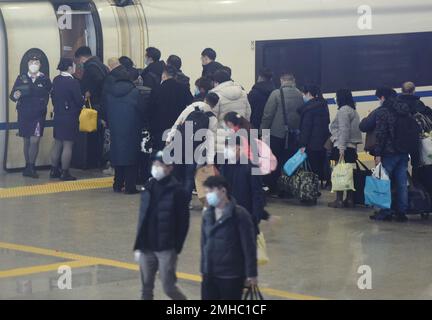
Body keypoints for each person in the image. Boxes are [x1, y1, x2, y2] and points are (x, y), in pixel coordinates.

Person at [133, 151, 190, 300]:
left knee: (168, 287)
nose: (156, 167)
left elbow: (183, 223)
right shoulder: (148, 186)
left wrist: (176, 248)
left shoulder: (178, 192)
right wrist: (139, 244)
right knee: (146, 289)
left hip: (166, 248)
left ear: (170, 168)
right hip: (146, 247)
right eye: (154, 164)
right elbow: (142, 217)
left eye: (160, 165)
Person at [201, 175, 258, 300]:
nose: (208, 195)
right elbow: (204, 243)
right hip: (209, 274)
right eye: (206, 192)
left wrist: (251, 274)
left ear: (223, 191)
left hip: (231, 276)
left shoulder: (240, 215)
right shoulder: (208, 215)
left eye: (211, 191)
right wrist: (203, 268)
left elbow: (249, 247)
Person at [371, 89, 421, 222]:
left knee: (384, 182)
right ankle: (402, 212)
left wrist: (378, 154)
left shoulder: (383, 111)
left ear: (382, 97)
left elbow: (381, 134)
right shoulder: (404, 110)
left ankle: (385, 211)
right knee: (401, 182)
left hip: (389, 152)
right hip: (403, 151)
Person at [166, 92, 220, 205]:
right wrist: (210, 160)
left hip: (180, 144)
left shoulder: (191, 108)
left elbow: (178, 123)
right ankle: (186, 202)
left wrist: (169, 138)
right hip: (196, 150)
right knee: (189, 177)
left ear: (205, 99)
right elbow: (211, 140)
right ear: (214, 105)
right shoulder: (212, 118)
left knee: (176, 173)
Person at [104, 58, 144, 194]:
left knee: (118, 156)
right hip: (132, 128)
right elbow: (141, 109)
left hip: (115, 128)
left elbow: (106, 109)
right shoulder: (134, 92)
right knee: (131, 158)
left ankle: (117, 184)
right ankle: (130, 187)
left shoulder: (110, 92)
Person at [10, 55, 52, 178]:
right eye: (32, 62)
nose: (34, 64)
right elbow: (12, 96)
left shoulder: (44, 79)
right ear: (28, 64)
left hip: (38, 115)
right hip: (24, 113)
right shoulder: (21, 78)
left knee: (35, 140)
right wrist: (16, 95)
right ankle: (27, 166)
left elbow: (50, 93)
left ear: (40, 64)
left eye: (36, 62)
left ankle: (32, 165)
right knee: (27, 140)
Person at [260, 73, 303, 193]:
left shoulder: (276, 94)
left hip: (277, 134)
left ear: (281, 80)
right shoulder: (299, 94)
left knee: (274, 161)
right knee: (289, 161)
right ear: (293, 81)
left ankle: (274, 187)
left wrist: (263, 133)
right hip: (294, 134)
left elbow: (268, 115)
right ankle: (288, 188)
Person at [220, 138, 267, 235]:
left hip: (246, 217)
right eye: (225, 147)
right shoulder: (225, 166)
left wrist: (255, 219)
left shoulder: (253, 167)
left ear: (238, 148)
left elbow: (257, 195)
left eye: (229, 147)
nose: (226, 150)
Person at [50, 58, 85, 181]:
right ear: (70, 67)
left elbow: (53, 97)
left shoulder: (56, 80)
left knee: (58, 143)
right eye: (74, 66)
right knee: (68, 144)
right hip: (70, 116)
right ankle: (65, 172)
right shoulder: (73, 82)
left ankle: (54, 170)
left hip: (58, 115)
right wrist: (84, 98)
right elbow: (79, 101)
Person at [328, 89, 362, 208]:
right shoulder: (353, 110)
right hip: (351, 147)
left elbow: (344, 130)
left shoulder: (343, 111)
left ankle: (339, 200)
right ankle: (350, 199)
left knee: (340, 173)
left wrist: (341, 149)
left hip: (343, 146)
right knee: (350, 174)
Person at [148, 65, 193, 151]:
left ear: (163, 75)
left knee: (160, 153)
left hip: (159, 127)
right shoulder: (183, 88)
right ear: (175, 76)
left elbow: (150, 109)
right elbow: (190, 104)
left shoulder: (157, 89)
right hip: (177, 126)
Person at [211, 69, 252, 158]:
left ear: (216, 82)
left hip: (222, 135)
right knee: (239, 160)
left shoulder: (216, 95)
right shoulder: (242, 92)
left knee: (224, 162)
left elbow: (212, 117)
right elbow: (248, 112)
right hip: (240, 132)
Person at [297, 85, 331, 181]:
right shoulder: (323, 105)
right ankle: (322, 181)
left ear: (308, 93)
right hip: (323, 141)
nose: (303, 96)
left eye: (303, 94)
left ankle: (313, 186)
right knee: (321, 163)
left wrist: (302, 144)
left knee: (313, 166)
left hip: (312, 143)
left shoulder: (308, 109)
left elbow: (306, 129)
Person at [359, 87, 397, 156]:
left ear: (382, 98)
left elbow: (363, 126)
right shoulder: (402, 110)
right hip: (402, 151)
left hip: (386, 152)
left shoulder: (379, 112)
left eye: (378, 99)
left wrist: (366, 117)